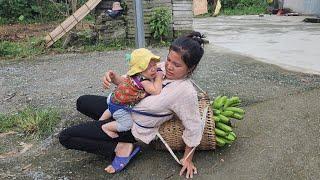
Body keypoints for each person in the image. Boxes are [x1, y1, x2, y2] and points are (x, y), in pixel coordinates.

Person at [59, 31, 205, 178]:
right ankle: (105, 130)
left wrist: (187, 158)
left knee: (66, 137)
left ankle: (120, 147)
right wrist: (113, 77)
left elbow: (194, 126)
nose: (169, 66)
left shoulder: (185, 91)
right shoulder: (160, 67)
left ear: (190, 68)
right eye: (168, 59)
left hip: (132, 126)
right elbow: (132, 83)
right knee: (82, 101)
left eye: (177, 65)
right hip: (124, 107)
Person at [99, 48, 164, 139]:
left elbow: (121, 81)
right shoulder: (143, 80)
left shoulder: (134, 75)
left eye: (154, 65)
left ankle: (100, 121)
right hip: (120, 107)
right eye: (148, 67)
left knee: (111, 109)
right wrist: (159, 77)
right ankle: (106, 128)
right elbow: (156, 91)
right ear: (140, 70)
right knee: (127, 124)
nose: (153, 69)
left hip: (113, 98)